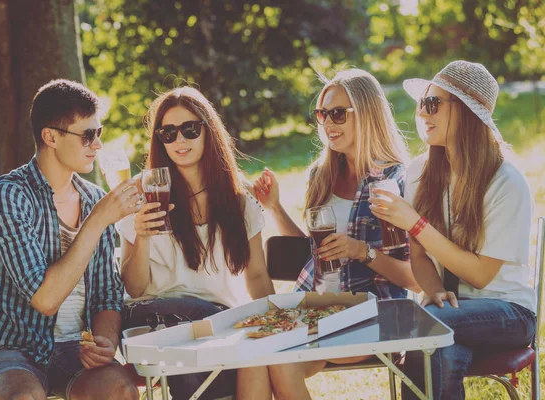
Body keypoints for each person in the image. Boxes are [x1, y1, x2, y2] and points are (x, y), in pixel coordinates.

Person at [369, 60, 537, 400]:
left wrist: (415, 223)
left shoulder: (506, 182)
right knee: (437, 346)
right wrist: (433, 290)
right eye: (422, 104)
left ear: (467, 114)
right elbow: (419, 256)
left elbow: (480, 276)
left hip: (507, 310)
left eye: (433, 103)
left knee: (428, 328)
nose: (422, 113)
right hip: (447, 312)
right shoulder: (420, 171)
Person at [253, 68, 419, 399]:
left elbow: (414, 279)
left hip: (372, 311)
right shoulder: (322, 173)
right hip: (314, 307)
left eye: (338, 114)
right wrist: (274, 208)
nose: (328, 123)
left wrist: (361, 251)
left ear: (368, 113)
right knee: (257, 364)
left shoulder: (396, 180)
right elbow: (314, 250)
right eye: (322, 113)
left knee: (277, 360)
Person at [0, 79, 140, 400]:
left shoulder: (94, 199)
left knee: (121, 390)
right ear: (50, 136)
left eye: (99, 133)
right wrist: (97, 221)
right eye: (87, 135)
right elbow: (45, 299)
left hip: (76, 349)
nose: (97, 145)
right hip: (13, 350)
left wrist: (104, 344)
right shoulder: (8, 197)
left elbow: (107, 294)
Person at [116, 86, 275, 400]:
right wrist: (143, 237)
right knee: (193, 343)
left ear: (209, 132)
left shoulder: (238, 200)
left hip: (215, 323)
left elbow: (256, 276)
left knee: (251, 354)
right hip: (153, 321)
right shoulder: (141, 196)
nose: (180, 141)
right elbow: (134, 289)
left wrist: (275, 323)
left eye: (190, 130)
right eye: (168, 133)